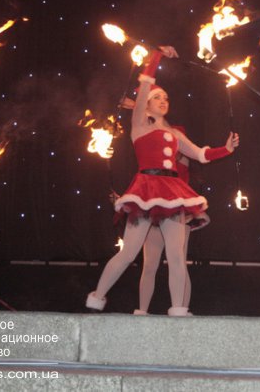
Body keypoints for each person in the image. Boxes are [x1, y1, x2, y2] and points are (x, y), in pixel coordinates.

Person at [87, 47, 238, 316]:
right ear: (146, 103)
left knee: (178, 256)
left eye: (166, 98)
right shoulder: (139, 125)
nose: (163, 100)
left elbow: (200, 154)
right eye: (158, 97)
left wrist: (225, 149)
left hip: (172, 191)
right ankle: (97, 297)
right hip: (146, 188)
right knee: (129, 253)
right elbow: (144, 84)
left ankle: (179, 310)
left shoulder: (173, 132)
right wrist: (156, 56)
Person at [134, 128, 210, 316]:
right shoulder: (156, 160)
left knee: (178, 262)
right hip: (155, 214)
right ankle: (142, 311)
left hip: (177, 213)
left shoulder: (181, 163)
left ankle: (182, 309)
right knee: (150, 264)